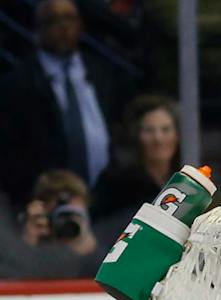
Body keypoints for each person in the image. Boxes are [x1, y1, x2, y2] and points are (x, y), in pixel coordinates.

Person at [0, 0, 127, 207]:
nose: (63, 27)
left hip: (106, 198)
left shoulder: (103, 72)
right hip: (45, 200)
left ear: (81, 25)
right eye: (53, 20)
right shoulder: (16, 84)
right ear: (37, 30)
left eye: (69, 19)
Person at [88, 94, 182, 239]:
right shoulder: (114, 183)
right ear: (136, 136)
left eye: (165, 129)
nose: (158, 138)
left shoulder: (186, 180)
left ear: (177, 135)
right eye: (149, 130)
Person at [0, 168, 102, 280]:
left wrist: (90, 249)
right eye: (60, 215)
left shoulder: (97, 250)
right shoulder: (17, 244)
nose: (67, 224)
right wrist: (29, 241)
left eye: (75, 215)